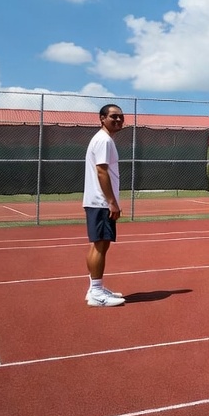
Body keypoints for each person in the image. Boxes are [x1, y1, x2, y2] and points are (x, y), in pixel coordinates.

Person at [82, 103, 127, 307]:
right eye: (113, 116)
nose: (118, 120)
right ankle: (97, 293)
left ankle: (94, 288)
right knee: (100, 245)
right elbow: (102, 171)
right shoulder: (104, 140)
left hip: (98, 201)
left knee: (98, 244)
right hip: (101, 202)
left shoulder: (104, 139)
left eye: (120, 117)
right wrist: (111, 202)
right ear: (102, 118)